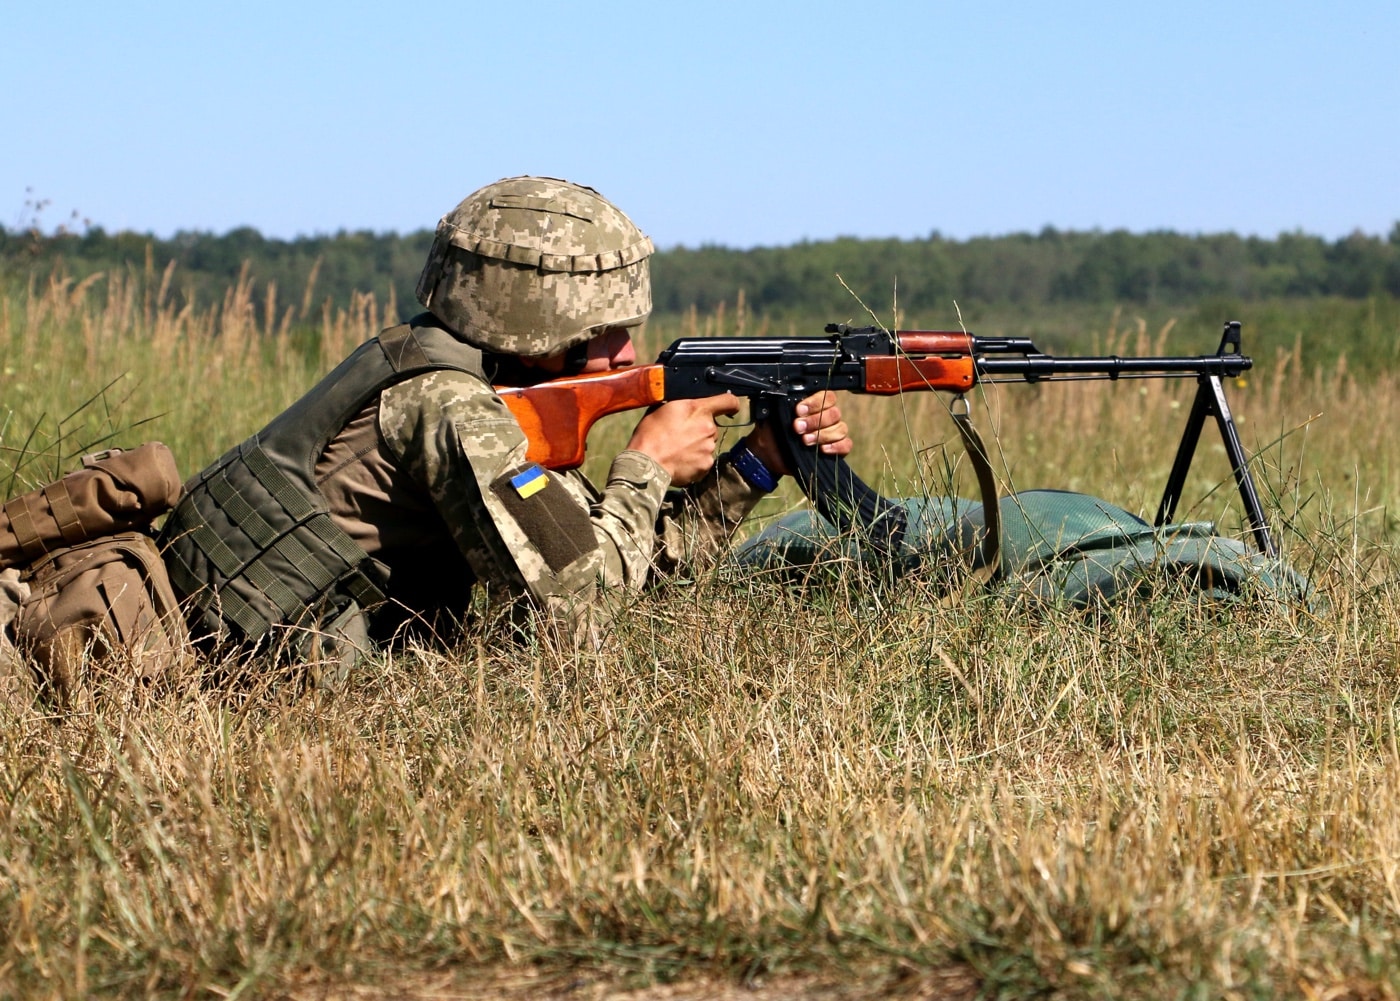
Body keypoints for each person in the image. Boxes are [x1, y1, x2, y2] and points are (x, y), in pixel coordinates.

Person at [158, 176, 851, 663]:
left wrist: (758, 462)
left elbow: (620, 563)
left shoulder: (476, 384)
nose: (629, 351)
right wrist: (648, 463)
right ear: (538, 322)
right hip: (261, 672)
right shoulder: (452, 406)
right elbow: (578, 616)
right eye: (608, 328)